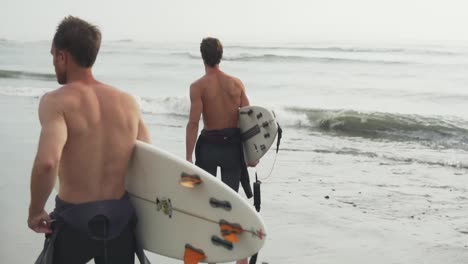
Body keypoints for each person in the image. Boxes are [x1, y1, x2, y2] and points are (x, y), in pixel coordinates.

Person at [27, 16, 151, 264]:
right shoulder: (128, 102)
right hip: (120, 223)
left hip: (74, 222)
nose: (53, 63)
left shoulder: (56, 102)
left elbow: (47, 163)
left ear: (63, 56)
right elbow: (147, 160)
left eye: (53, 55)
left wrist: (35, 211)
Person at [186, 37, 255, 264]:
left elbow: (194, 123)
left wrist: (187, 158)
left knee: (204, 203)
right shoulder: (236, 84)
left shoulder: (198, 87)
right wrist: (252, 155)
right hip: (231, 151)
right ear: (221, 55)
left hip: (207, 150)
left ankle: (210, 256)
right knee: (231, 203)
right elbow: (250, 121)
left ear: (202, 56)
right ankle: (240, 259)